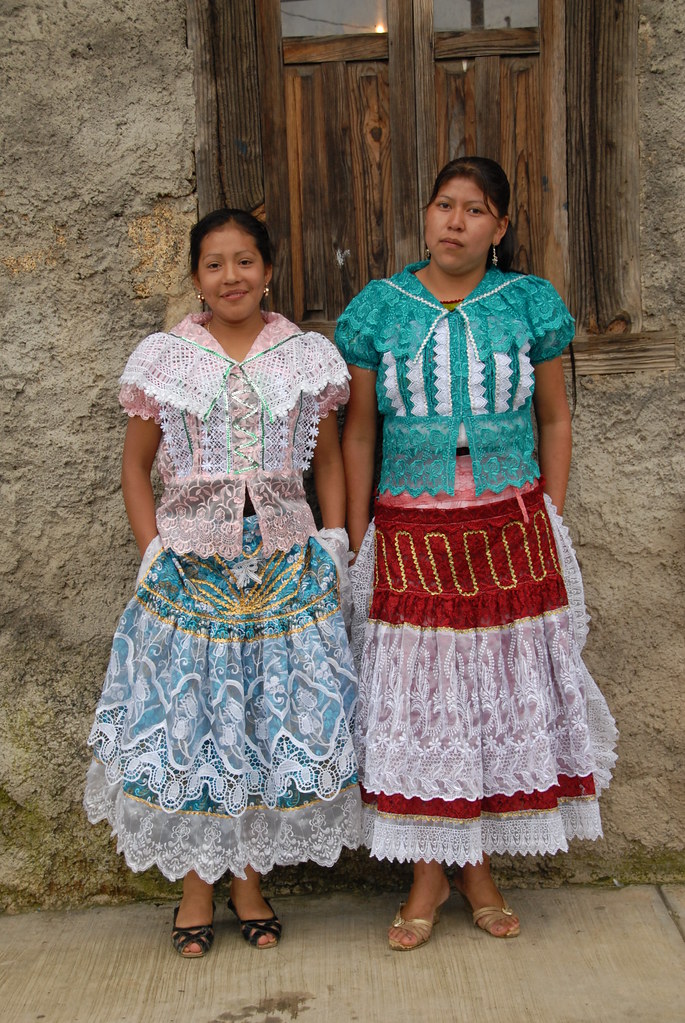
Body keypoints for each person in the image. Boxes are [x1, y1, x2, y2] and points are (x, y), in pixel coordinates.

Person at [337, 157, 617, 950]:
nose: (454, 221)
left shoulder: (527, 304)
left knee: (492, 701)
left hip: (507, 522)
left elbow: (554, 418)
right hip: (412, 527)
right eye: (442, 205)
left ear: (500, 227)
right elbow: (358, 433)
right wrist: (356, 535)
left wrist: (547, 514)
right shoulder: (378, 310)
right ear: (425, 215)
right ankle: (431, 873)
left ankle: (476, 869)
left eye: (473, 209)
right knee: (428, 704)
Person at [84, 208, 360, 957]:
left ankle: (247, 882)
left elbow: (328, 460)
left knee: (261, 725)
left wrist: (333, 542)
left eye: (244, 261)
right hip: (190, 571)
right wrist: (152, 551)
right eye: (214, 263)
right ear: (196, 277)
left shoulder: (304, 357)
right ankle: (196, 889)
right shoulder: (167, 358)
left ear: (267, 271)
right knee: (197, 726)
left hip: (283, 568)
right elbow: (135, 465)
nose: (230, 276)